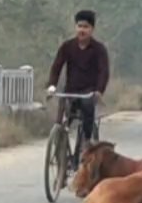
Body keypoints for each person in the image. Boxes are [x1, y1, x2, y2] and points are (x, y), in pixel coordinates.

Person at [45, 9, 109, 145]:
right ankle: (59, 141)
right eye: (79, 26)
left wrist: (99, 90)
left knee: (87, 108)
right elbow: (56, 67)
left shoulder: (99, 49)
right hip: (70, 90)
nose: (82, 30)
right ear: (75, 27)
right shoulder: (67, 47)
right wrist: (52, 85)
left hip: (88, 91)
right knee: (63, 110)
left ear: (92, 29)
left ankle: (87, 142)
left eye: (86, 27)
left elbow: (104, 71)